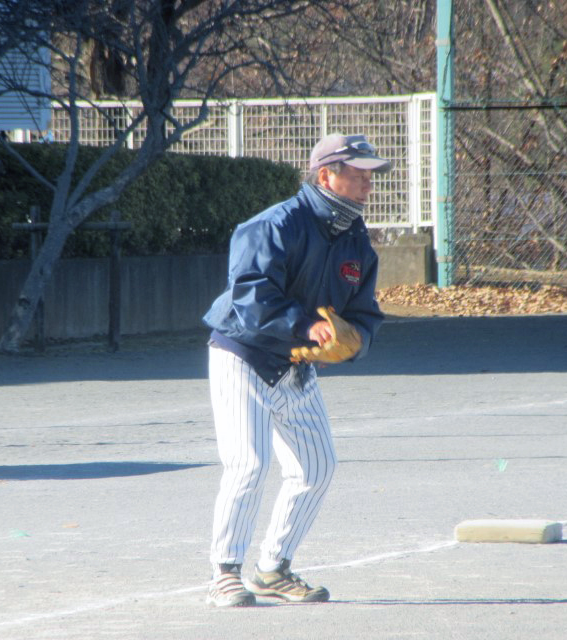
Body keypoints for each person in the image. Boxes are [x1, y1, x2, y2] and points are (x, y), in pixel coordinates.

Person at [202, 133, 390, 607]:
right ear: (326, 175)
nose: (368, 183)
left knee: (316, 467)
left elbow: (365, 313)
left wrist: (355, 342)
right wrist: (306, 325)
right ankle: (225, 572)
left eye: (370, 174)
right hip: (243, 354)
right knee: (248, 463)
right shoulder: (275, 224)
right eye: (359, 173)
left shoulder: (355, 239)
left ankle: (272, 569)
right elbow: (249, 294)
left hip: (296, 365)